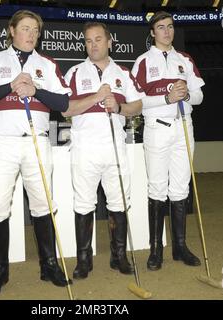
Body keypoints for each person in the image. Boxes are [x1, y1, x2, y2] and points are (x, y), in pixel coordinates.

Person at [0, 10, 72, 298]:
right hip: (3, 142)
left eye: (35, 30)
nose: (31, 34)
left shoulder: (47, 64)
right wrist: (10, 86)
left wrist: (35, 89)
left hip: (36, 140)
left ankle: (48, 264)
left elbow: (63, 102)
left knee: (43, 204)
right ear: (12, 30)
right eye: (25, 28)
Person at [62, 22, 144, 280]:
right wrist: (96, 97)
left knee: (119, 202)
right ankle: (84, 260)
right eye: (88, 40)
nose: (93, 44)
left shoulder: (123, 73)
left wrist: (119, 107)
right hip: (85, 147)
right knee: (84, 204)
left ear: (110, 42)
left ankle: (118, 256)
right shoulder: (74, 72)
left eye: (98, 39)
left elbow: (138, 106)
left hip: (115, 147)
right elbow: (65, 110)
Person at [131, 11, 204, 271]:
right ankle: (155, 250)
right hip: (157, 128)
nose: (167, 32)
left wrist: (185, 95)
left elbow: (199, 97)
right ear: (152, 33)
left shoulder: (184, 59)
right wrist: (167, 98)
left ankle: (180, 247)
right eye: (161, 27)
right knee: (157, 188)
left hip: (184, 128)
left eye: (170, 27)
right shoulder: (142, 61)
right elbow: (137, 103)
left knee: (181, 189)